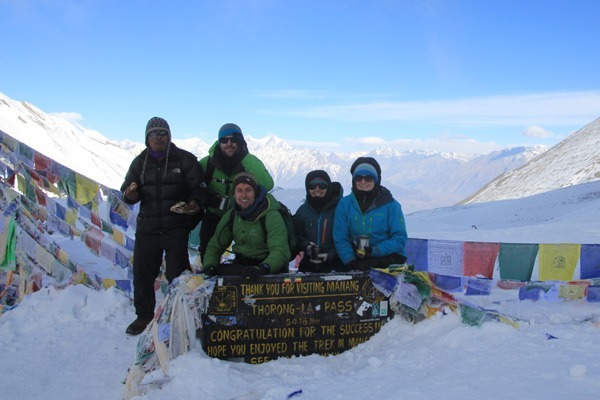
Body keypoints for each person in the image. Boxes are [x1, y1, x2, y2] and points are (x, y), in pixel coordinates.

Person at [121, 117, 206, 335]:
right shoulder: (139, 163)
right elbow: (128, 191)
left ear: (169, 136)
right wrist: (130, 194)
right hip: (147, 226)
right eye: (154, 134)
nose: (158, 138)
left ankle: (181, 314)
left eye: (162, 133)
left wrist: (194, 203)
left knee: (177, 274)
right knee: (142, 274)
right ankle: (144, 316)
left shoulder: (185, 160)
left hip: (175, 225)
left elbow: (199, 187)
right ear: (147, 138)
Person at [198, 123, 274, 262]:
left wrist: (244, 157)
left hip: (242, 216)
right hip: (214, 215)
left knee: (249, 255)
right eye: (224, 140)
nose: (229, 143)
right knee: (208, 250)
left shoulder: (248, 161)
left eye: (234, 139)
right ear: (219, 142)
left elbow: (268, 184)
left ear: (241, 141)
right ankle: (209, 275)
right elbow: (194, 185)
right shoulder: (207, 164)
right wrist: (207, 199)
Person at [202, 172, 290, 279]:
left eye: (248, 190)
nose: (244, 195)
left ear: (255, 193)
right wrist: (209, 266)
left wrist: (264, 267)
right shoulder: (232, 215)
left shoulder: (271, 216)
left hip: (268, 268)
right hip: (242, 267)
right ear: (234, 194)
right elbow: (215, 246)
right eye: (239, 190)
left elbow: (280, 250)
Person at [333, 157, 408, 271]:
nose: (363, 182)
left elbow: (399, 238)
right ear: (354, 180)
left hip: (388, 257)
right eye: (359, 178)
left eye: (368, 178)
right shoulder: (345, 204)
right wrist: (349, 260)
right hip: (357, 257)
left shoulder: (391, 205)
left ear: (376, 180)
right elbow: (340, 237)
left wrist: (374, 251)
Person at [293, 170, 343, 273]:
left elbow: (347, 237)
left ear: (328, 187)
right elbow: (296, 236)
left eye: (322, 185)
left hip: (336, 264)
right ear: (307, 188)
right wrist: (306, 245)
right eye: (312, 186)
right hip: (308, 264)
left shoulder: (339, 208)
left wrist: (330, 255)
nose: (317, 189)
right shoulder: (303, 211)